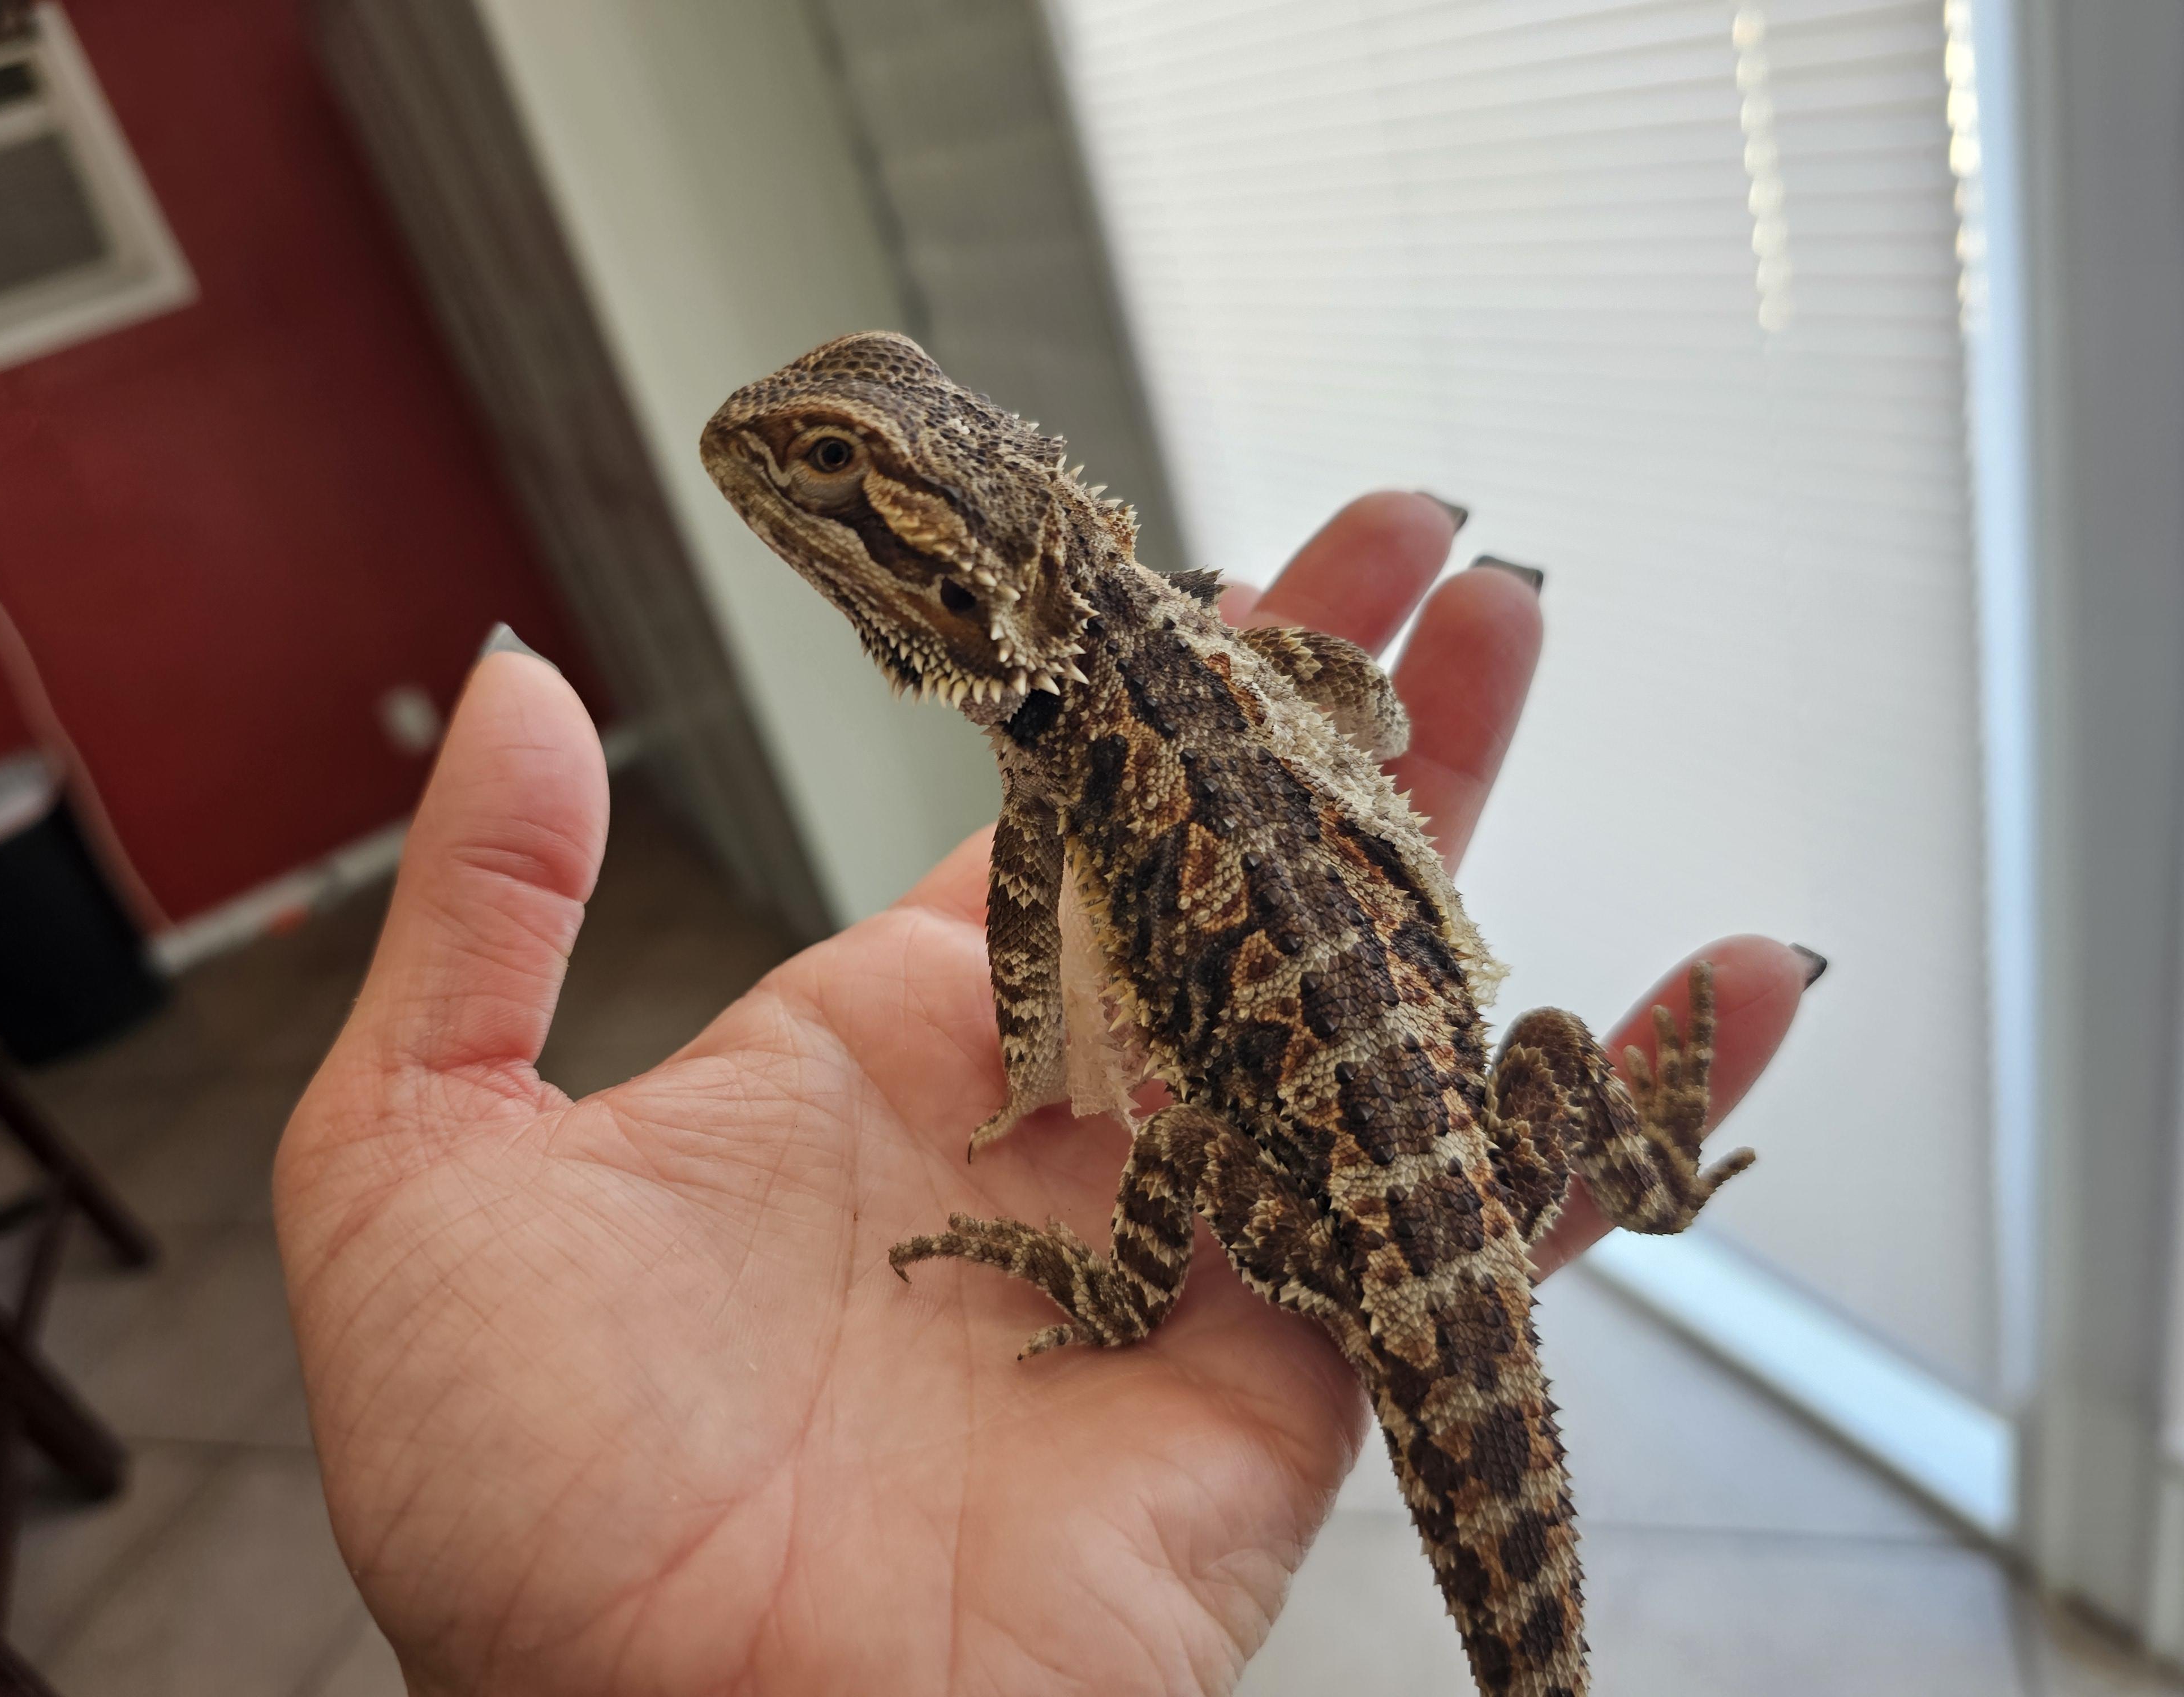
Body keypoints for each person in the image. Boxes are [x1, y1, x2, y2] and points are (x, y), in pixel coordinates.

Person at [275, 493, 1813, 1694]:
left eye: (841, 478)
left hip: (1364, 1229)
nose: (806, 496)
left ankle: (1125, 1293)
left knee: (1213, 1132)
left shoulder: (1095, 715)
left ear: (972, 580)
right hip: (1475, 1167)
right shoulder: (1191, 657)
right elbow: (1363, 700)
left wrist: (1064, 1159)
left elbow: (1056, 926)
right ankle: (1658, 1184)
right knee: (1548, 1047)